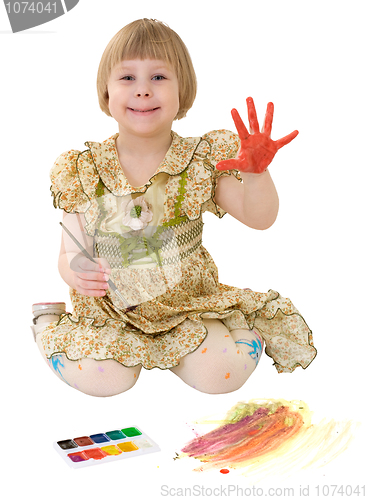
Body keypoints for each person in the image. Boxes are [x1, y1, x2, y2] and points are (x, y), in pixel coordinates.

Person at [32, 18, 316, 397]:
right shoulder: (84, 168)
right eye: (128, 78)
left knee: (220, 377)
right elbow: (70, 251)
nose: (143, 91)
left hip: (186, 305)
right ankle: (46, 323)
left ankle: (238, 324)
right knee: (106, 382)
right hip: (112, 309)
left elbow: (260, 218)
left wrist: (258, 174)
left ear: (185, 91)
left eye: (159, 78)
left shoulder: (200, 161)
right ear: (106, 91)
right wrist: (77, 270)